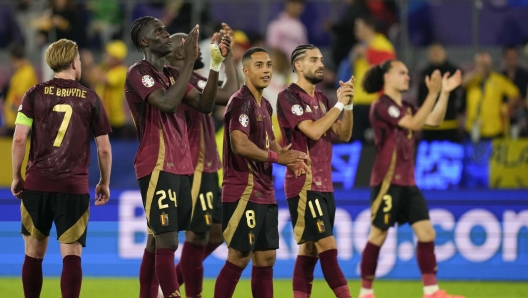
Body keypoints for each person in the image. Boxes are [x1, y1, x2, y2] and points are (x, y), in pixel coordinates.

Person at [125, 16, 229, 298]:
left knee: (157, 242)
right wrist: (190, 62)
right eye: (158, 31)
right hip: (155, 163)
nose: (165, 33)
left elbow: (206, 105)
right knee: (167, 241)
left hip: (179, 167)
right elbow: (168, 104)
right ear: (144, 41)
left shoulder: (172, 74)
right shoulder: (139, 72)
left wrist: (216, 64)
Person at [11, 38, 112, 298]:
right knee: (72, 254)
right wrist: (104, 181)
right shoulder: (91, 98)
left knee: (33, 253)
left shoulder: (33, 94)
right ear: (73, 63)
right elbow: (103, 148)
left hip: (37, 184)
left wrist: (16, 176)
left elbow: (20, 138)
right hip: (73, 187)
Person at [358, 60, 463, 298]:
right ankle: (366, 293)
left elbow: (433, 120)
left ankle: (431, 291)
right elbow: (415, 124)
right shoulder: (381, 106)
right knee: (378, 235)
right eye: (402, 73)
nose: (407, 77)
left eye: (407, 73)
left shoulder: (405, 105)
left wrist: (443, 93)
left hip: (408, 183)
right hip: (387, 182)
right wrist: (432, 93)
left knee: (427, 233)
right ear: (387, 78)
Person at [213, 47, 307, 298]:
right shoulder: (240, 102)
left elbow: (270, 143)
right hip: (243, 190)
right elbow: (239, 145)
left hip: (264, 192)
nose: (266, 69)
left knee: (266, 258)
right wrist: (278, 157)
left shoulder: (265, 103)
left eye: (268, 64)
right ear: (245, 71)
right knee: (239, 256)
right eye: (259, 65)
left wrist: (289, 158)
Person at [165, 23, 239, 298]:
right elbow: (229, 94)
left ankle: (167, 287)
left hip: (209, 166)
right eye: (187, 42)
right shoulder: (176, 80)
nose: (194, 45)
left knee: (217, 234)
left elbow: (230, 90)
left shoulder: (194, 79)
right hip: (193, 166)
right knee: (196, 236)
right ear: (176, 53)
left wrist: (227, 55)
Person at [276, 44, 354, 298]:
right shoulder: (288, 97)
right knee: (327, 246)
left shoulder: (322, 99)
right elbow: (313, 131)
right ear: (298, 65)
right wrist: (339, 106)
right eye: (313, 60)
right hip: (304, 183)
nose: (320, 64)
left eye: (321, 59)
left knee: (309, 250)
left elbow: (343, 134)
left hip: (325, 184)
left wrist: (348, 105)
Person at [461, 52, 520, 142]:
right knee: (472, 154)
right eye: (481, 64)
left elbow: (516, 94)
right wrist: (476, 71)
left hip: (494, 128)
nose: (483, 66)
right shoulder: (472, 80)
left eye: (486, 64)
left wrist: (506, 106)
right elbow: (463, 83)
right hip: (473, 127)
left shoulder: (498, 79)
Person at [417, 43, 462, 142]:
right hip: (429, 125)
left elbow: (462, 94)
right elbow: (420, 97)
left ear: (445, 52)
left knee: (449, 155)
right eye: (432, 51)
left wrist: (460, 112)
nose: (435, 54)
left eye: (438, 51)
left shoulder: (454, 71)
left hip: (450, 123)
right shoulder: (424, 73)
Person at [88, 40, 129, 138]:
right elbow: (90, 79)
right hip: (100, 117)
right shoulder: (105, 68)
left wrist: (90, 63)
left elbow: (106, 80)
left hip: (114, 120)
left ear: (116, 58)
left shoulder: (122, 71)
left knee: (113, 148)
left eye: (109, 55)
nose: (106, 57)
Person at [2, 43, 39, 136]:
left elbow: (20, 100)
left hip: (19, 124)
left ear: (13, 59)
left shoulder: (25, 74)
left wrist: (11, 107)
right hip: (18, 122)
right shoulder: (22, 72)